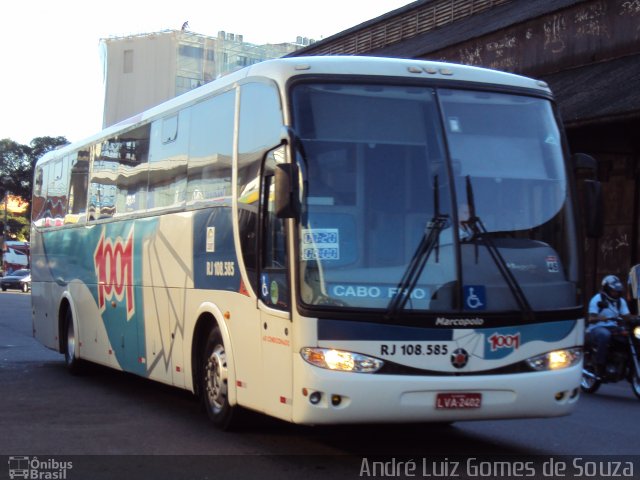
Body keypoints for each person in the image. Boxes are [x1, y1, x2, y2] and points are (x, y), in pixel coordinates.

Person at [587, 275, 631, 377]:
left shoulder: (620, 301)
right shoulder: (597, 299)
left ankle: (624, 363)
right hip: (596, 328)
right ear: (607, 289)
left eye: (617, 291)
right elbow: (590, 319)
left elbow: (627, 317)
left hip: (613, 327)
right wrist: (600, 318)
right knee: (605, 335)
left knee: (629, 336)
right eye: (613, 291)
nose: (615, 293)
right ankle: (600, 366)